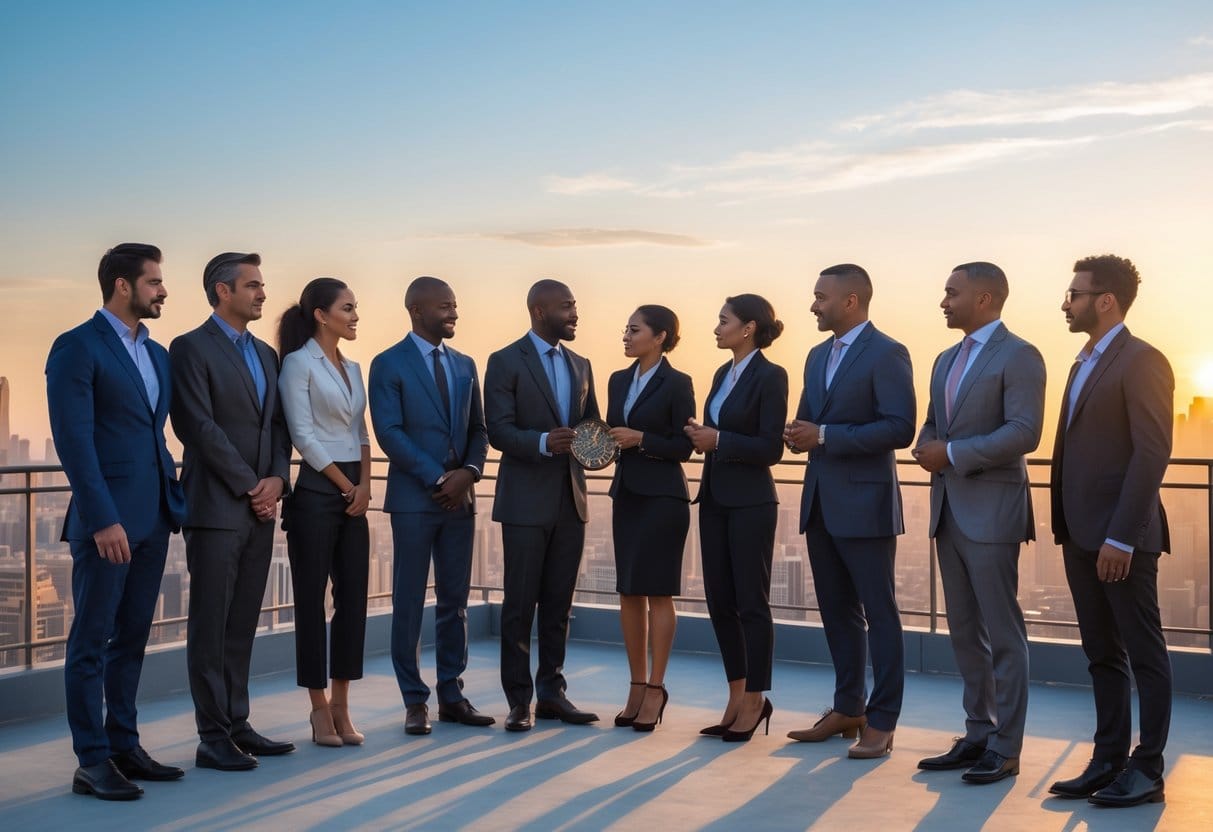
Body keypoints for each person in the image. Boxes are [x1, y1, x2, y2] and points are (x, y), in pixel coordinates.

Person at [47, 244, 188, 800]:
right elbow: (75, 442)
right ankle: (92, 759)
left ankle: (124, 743)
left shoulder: (155, 354)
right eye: (154, 281)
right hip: (107, 524)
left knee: (132, 638)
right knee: (90, 640)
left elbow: (153, 431)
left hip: (154, 516)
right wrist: (102, 518)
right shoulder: (76, 347)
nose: (163, 290)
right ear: (123, 286)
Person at [911, 262, 1045, 784]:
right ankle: (977, 734)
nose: (943, 301)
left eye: (952, 292)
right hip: (949, 510)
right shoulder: (945, 359)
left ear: (984, 298)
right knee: (965, 632)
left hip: (992, 512)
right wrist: (928, 443)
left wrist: (954, 452)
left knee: (1003, 635)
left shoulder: (1020, 355)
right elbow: (933, 421)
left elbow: (1025, 432)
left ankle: (1006, 747)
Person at [1048, 254, 1173, 807]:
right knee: (1101, 652)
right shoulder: (1081, 362)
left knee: (1144, 653)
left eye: (1075, 293)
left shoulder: (1142, 360)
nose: (1066, 302)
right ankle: (1107, 760)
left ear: (1106, 300)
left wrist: (1121, 537)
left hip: (1122, 539)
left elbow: (1152, 452)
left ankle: (1147, 770)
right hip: (1080, 534)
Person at [170, 252, 295, 771]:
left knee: (242, 621)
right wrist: (251, 485)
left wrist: (276, 480)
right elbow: (195, 426)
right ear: (223, 291)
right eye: (253, 285)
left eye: (262, 285)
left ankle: (238, 724)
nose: (263, 293)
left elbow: (279, 428)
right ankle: (212, 736)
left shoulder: (267, 354)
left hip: (259, 508)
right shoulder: (189, 348)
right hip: (217, 507)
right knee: (211, 624)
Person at [784, 264, 915, 758]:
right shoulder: (816, 356)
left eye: (820, 296)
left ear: (851, 300)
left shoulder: (887, 352)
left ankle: (882, 722)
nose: (814, 304)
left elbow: (900, 427)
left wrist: (826, 436)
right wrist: (800, 433)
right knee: (837, 612)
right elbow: (813, 420)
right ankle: (847, 708)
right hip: (820, 500)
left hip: (866, 503)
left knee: (879, 615)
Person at [369, 276, 493, 736]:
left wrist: (470, 473)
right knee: (407, 602)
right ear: (416, 310)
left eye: (455, 305)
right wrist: (439, 477)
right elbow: (389, 432)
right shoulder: (388, 364)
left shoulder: (465, 365)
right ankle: (413, 701)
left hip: (461, 501)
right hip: (415, 500)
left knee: (454, 602)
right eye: (445, 306)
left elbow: (479, 431)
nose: (454, 313)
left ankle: (452, 695)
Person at [484, 279, 601, 731]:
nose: (575, 314)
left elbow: (591, 426)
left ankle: (553, 693)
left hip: (571, 502)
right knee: (519, 605)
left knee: (558, 605)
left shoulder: (582, 364)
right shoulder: (505, 361)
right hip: (524, 504)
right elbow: (498, 430)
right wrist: (540, 442)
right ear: (539, 309)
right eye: (568, 307)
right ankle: (519, 700)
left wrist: (598, 446)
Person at [685, 294, 787, 743]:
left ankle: (757, 698)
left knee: (751, 602)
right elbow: (717, 437)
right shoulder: (721, 374)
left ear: (748, 327)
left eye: (722, 320)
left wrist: (719, 438)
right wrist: (702, 436)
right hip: (715, 498)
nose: (716, 327)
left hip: (751, 502)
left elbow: (771, 448)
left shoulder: (772, 375)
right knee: (719, 600)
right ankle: (735, 694)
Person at [277, 278, 372, 747]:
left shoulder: (354, 367)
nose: (355, 316)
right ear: (320, 314)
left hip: (355, 490)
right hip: (316, 490)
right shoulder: (297, 364)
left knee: (353, 599)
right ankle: (318, 710)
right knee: (311, 601)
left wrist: (366, 488)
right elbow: (302, 436)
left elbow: (362, 433)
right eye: (347, 308)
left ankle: (342, 704)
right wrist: (345, 484)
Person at [605, 305, 695, 732]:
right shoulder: (618, 380)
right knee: (628, 592)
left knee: (658, 592)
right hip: (626, 496)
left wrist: (642, 439)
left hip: (663, 498)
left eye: (634, 329)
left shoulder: (679, 383)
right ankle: (636, 685)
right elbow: (608, 435)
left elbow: (684, 446)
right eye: (626, 328)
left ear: (659, 337)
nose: (625, 335)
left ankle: (657, 689)